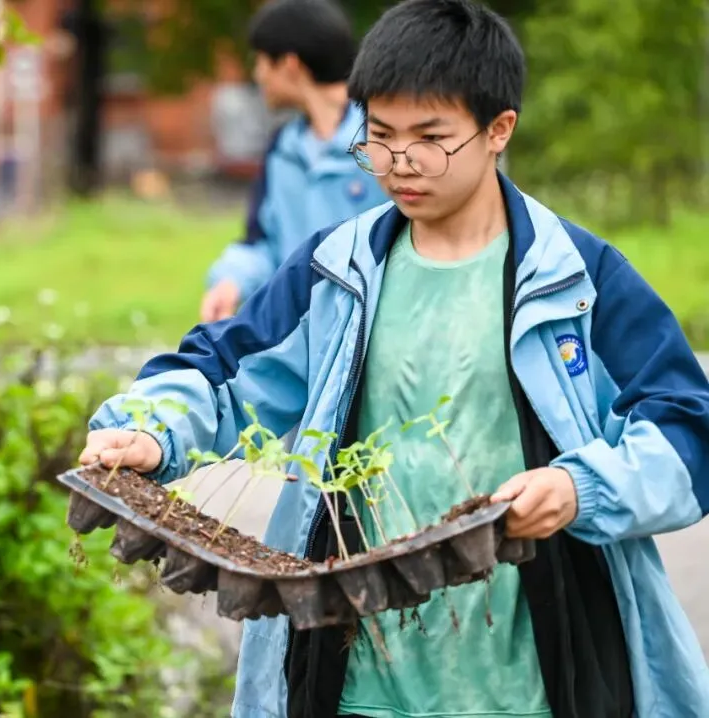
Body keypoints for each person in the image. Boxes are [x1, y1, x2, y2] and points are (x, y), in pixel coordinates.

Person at [80, 0, 709, 716]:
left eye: (431, 138)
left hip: (536, 679)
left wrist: (581, 490)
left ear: (498, 129)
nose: (400, 163)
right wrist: (152, 426)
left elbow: (688, 433)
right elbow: (223, 374)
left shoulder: (577, 279)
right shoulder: (338, 271)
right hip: (358, 679)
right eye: (379, 137)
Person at [200, 0, 387, 323]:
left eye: (260, 62)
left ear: (290, 65)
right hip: (300, 335)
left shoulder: (385, 139)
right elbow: (262, 243)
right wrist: (230, 281)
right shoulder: (281, 148)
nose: (258, 76)